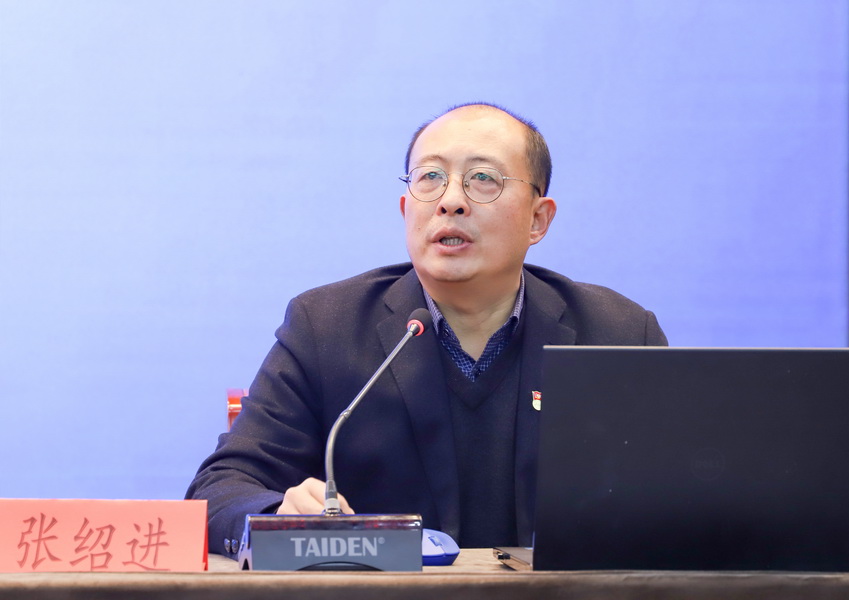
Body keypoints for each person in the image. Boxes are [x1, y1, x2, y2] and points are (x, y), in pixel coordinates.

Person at [186, 103, 667, 555]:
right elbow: (220, 490)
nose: (450, 201)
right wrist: (278, 517)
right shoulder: (326, 326)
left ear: (538, 219)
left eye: (483, 179)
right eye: (431, 177)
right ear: (405, 210)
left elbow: (676, 503)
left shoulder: (617, 333)